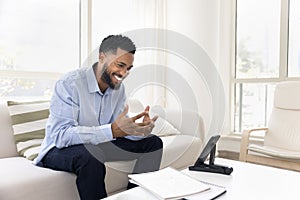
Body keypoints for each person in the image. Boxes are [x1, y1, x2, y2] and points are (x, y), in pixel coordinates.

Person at [33, 35, 163, 200]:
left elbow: (117, 128)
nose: (124, 73)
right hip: (58, 150)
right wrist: (111, 131)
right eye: (120, 65)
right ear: (102, 57)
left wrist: (138, 130)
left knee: (153, 143)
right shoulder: (70, 84)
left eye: (129, 68)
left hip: (97, 145)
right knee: (91, 154)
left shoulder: (118, 89)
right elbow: (61, 135)